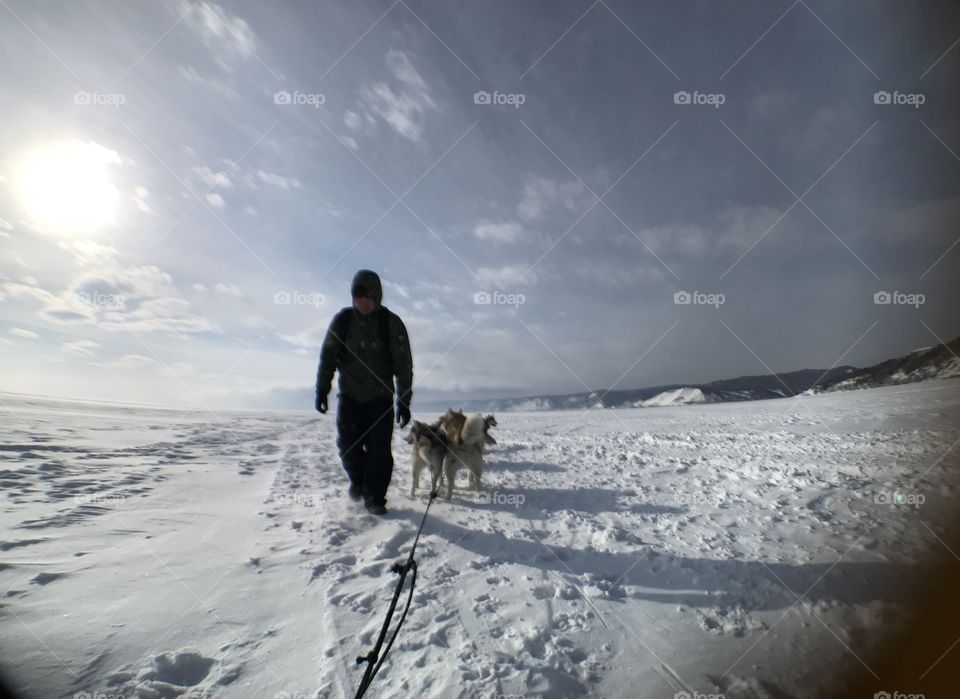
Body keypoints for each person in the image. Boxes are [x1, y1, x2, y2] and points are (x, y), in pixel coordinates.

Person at [315, 270, 413, 515]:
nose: (363, 302)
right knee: (348, 447)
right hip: (350, 397)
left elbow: (403, 365)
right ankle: (359, 482)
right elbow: (328, 357)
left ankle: (375, 498)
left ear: (377, 297)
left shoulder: (390, 323)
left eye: (368, 297)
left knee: (379, 451)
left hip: (380, 399)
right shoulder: (343, 321)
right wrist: (322, 390)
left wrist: (404, 400)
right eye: (358, 297)